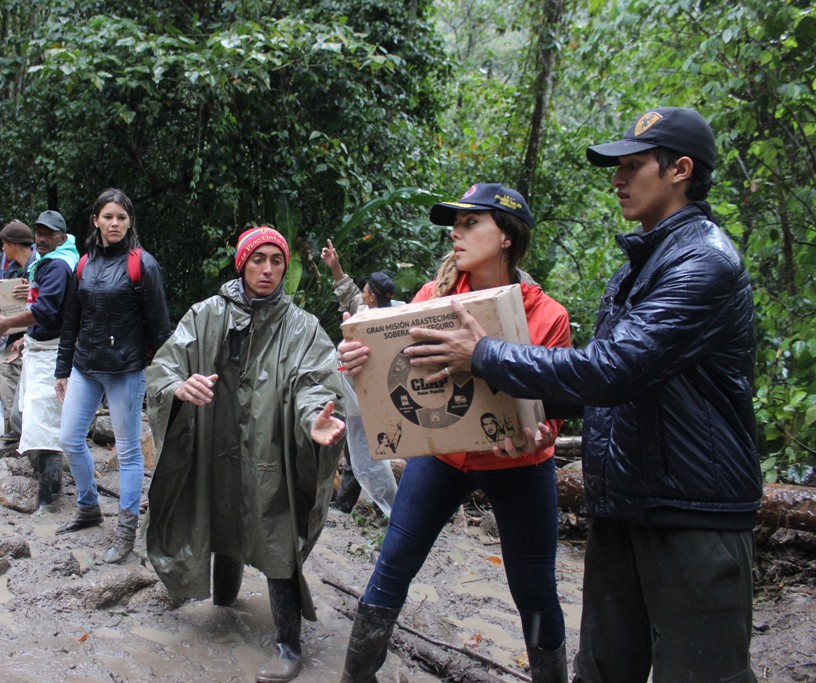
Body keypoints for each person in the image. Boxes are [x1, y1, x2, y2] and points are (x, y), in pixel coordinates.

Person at [394, 108, 763, 683]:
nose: (617, 179)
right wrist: (533, 412)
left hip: (693, 514)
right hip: (624, 503)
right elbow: (605, 390)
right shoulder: (638, 268)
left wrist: (486, 355)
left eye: (632, 165)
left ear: (680, 170)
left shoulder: (703, 263)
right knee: (601, 669)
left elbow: (610, 370)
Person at [335, 183, 572, 683]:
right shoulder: (432, 299)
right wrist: (357, 361)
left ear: (507, 236)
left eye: (470, 224)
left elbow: (553, 408)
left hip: (518, 464)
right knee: (394, 562)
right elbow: (387, 371)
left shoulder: (547, 316)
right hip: (442, 455)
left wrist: (543, 433)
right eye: (455, 224)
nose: (455, 233)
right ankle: (356, 677)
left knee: (533, 588)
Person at [145, 226, 346, 683]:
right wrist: (178, 386)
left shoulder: (302, 327)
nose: (269, 269)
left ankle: (288, 643)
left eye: (277, 260)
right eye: (259, 260)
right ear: (242, 264)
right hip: (215, 440)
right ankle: (225, 603)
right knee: (218, 506)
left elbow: (315, 381)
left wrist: (314, 417)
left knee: (274, 530)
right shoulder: (206, 314)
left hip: (270, 446)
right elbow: (165, 364)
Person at [53, 189, 172, 563]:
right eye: (108, 217)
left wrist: (168, 377)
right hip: (86, 366)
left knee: (130, 452)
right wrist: (62, 368)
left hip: (126, 369)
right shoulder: (84, 264)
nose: (115, 223)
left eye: (121, 217)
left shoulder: (143, 265)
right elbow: (72, 319)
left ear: (129, 221)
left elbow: (160, 326)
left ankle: (125, 530)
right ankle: (89, 506)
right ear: (96, 221)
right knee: (70, 439)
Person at [0, 210, 78, 509]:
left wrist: (8, 323)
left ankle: (49, 501)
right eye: (38, 232)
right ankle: (47, 473)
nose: (40, 238)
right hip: (38, 348)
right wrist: (23, 339)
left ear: (61, 237)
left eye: (47, 234)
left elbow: (45, 311)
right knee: (20, 417)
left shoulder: (57, 267)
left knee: (44, 428)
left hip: (54, 352)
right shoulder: (44, 265)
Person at [320, 238, 400, 514]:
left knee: (366, 452)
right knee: (359, 450)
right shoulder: (382, 310)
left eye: (365, 291)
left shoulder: (377, 324)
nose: (362, 294)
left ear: (373, 297)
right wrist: (335, 265)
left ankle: (373, 506)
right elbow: (349, 293)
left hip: (374, 398)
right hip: (358, 396)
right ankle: (348, 504)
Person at [0, 220, 38, 441]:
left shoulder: (38, 265)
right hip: (18, 333)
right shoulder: (16, 269)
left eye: (4, 245)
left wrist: (34, 289)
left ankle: (17, 428)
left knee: (5, 367)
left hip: (38, 335)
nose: (2, 250)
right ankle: (15, 426)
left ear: (11, 244)